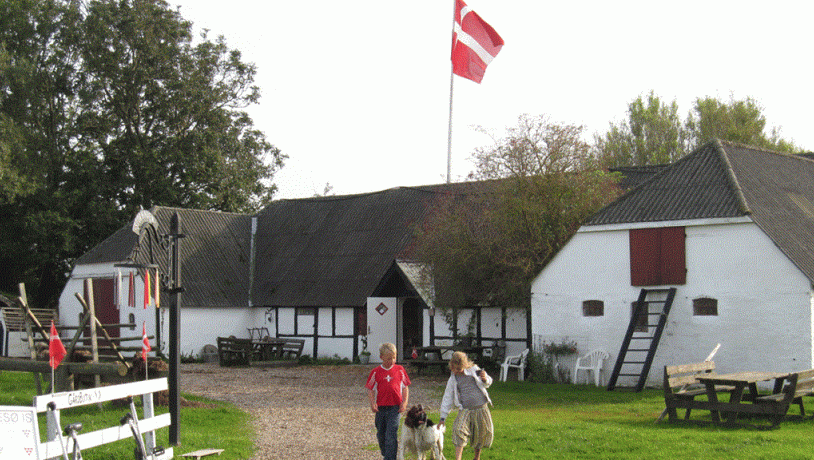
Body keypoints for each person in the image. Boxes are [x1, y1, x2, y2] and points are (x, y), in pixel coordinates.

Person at [439, 351, 493, 460]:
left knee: (480, 435)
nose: (456, 371)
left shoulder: (474, 370)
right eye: (454, 368)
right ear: (451, 365)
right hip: (466, 409)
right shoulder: (453, 379)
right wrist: (443, 417)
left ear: (465, 365)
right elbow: (447, 398)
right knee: (458, 429)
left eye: (459, 369)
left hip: (481, 408)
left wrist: (485, 379)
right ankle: (458, 458)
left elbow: (488, 382)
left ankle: (476, 458)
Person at [365, 343, 410, 460]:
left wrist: (404, 403)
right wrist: (372, 403)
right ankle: (386, 453)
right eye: (389, 358)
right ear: (381, 357)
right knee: (381, 434)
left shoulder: (400, 370)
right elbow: (370, 389)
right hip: (381, 408)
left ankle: (390, 458)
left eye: (394, 357)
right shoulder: (375, 372)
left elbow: (405, 387)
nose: (392, 360)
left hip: (395, 408)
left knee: (391, 435)